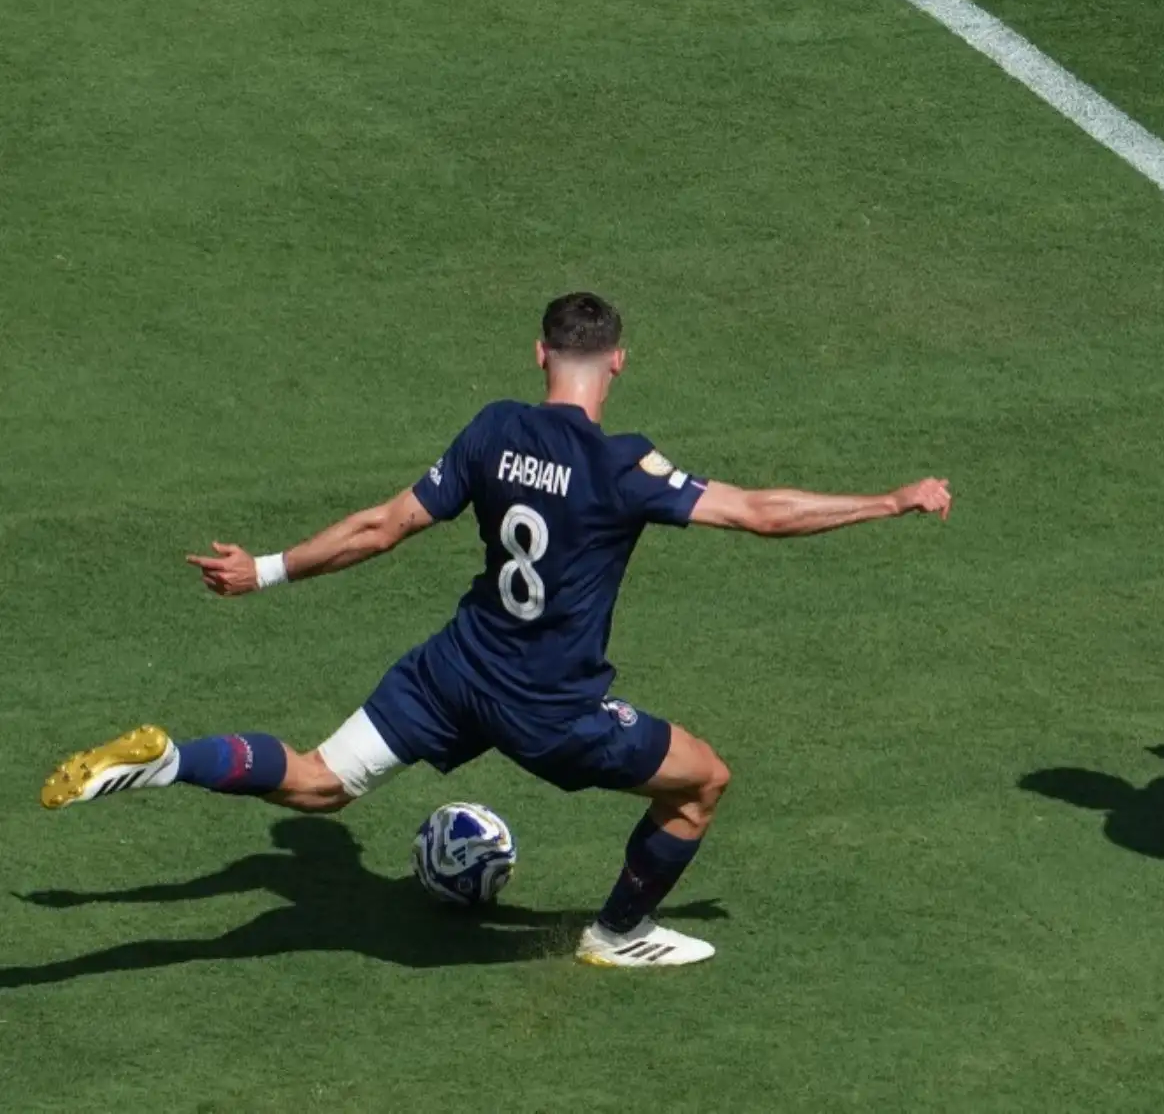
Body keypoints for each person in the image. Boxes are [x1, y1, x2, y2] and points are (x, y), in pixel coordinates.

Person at [39, 292, 953, 969]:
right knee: (702, 781)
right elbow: (760, 511)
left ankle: (167, 760)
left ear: (539, 354)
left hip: (455, 667)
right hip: (550, 706)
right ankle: (616, 933)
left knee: (318, 782)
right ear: (619, 362)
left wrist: (264, 568)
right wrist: (887, 499)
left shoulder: (492, 431)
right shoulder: (624, 463)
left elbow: (382, 526)